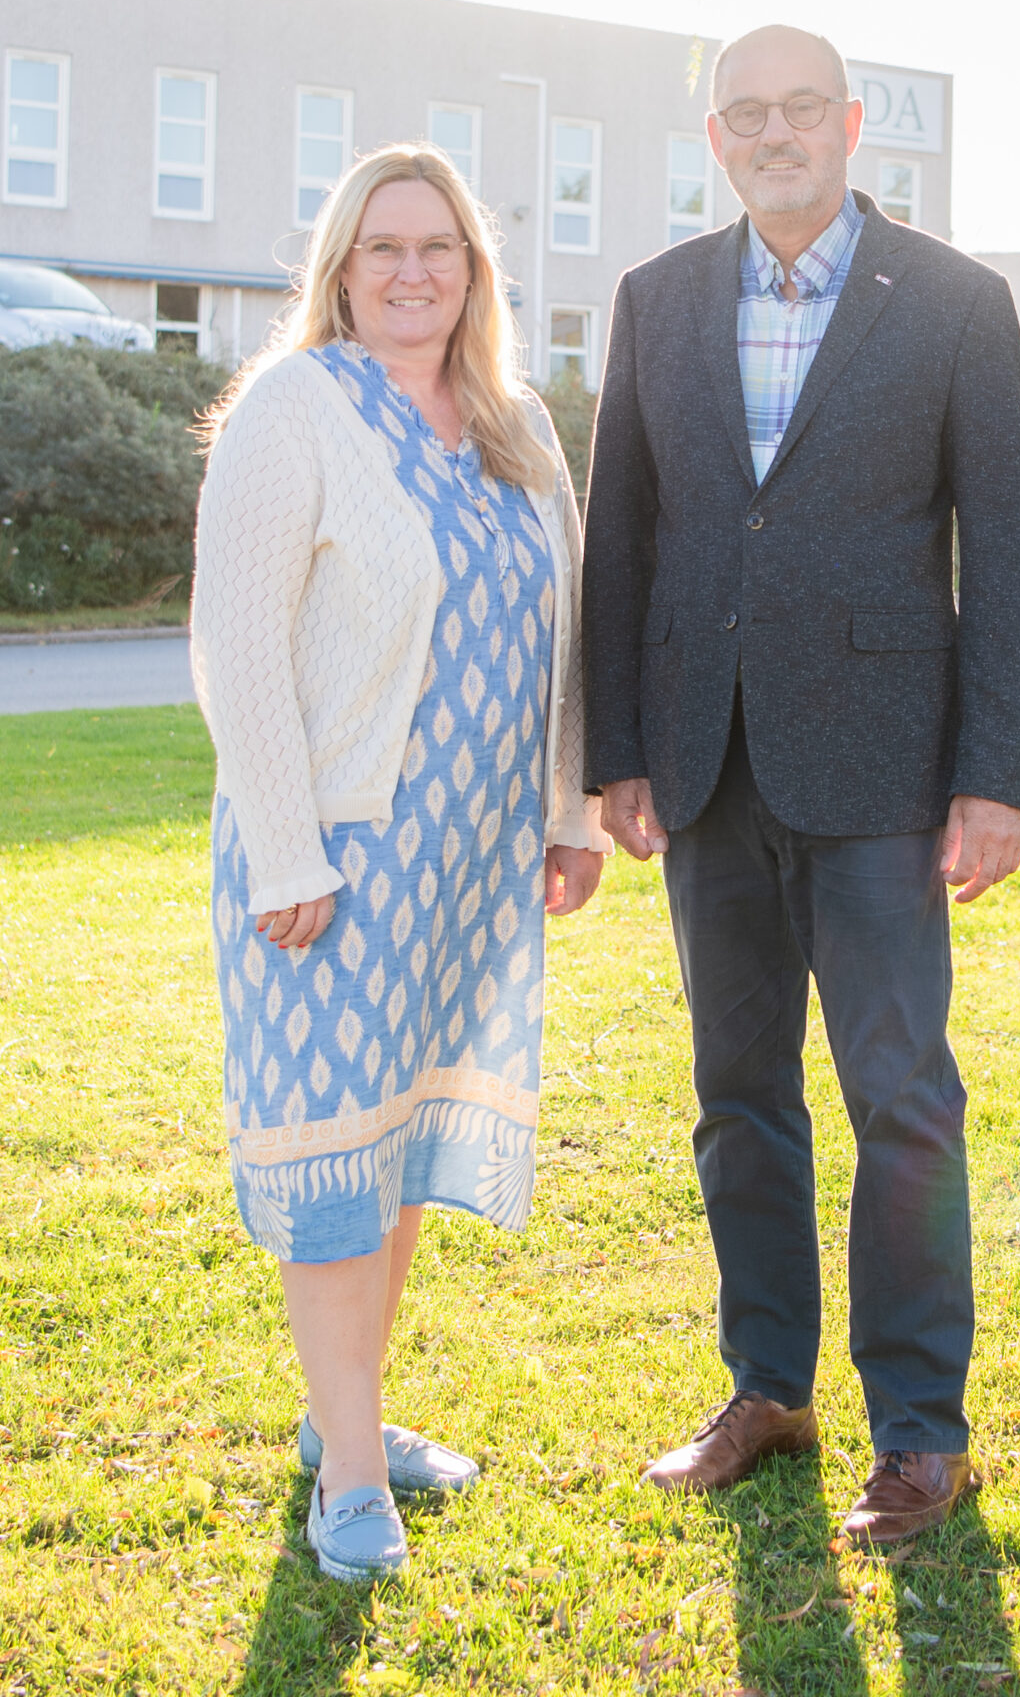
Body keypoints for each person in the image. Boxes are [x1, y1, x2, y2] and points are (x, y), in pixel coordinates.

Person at [582, 24, 1020, 1548]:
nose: (774, 134)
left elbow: (1008, 556)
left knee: (902, 1099)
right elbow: (623, 541)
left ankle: (922, 1431)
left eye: (800, 110)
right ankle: (766, 1387)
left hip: (886, 775)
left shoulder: (960, 306)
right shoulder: (654, 302)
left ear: (852, 125)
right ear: (715, 138)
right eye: (745, 115)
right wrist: (620, 751)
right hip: (705, 764)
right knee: (739, 1098)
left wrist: (994, 777)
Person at [191, 143, 605, 1584]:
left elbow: (567, 632)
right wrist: (288, 847)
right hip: (335, 856)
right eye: (385, 249)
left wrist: (570, 811)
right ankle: (351, 1477)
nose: (414, 271)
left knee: (404, 1138)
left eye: (440, 248)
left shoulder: (517, 427)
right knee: (331, 1159)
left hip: (472, 859)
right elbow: (234, 643)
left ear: (475, 272)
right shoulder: (295, 409)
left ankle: (340, 1418)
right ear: (344, 272)